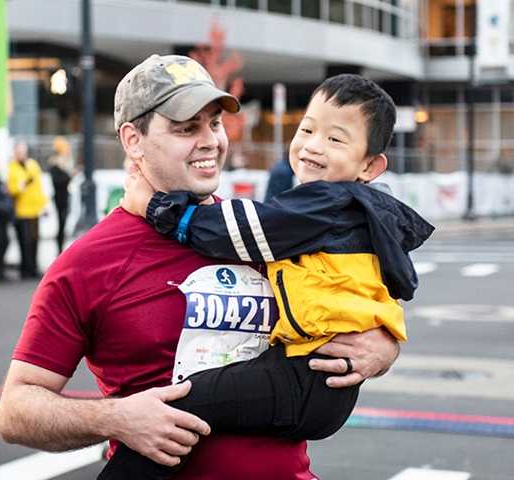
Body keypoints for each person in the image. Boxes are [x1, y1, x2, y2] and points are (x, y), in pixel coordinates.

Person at [0, 55, 401, 480]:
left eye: (214, 124)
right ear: (133, 139)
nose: (210, 141)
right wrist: (114, 418)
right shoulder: (87, 263)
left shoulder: (264, 234)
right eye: (187, 128)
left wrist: (383, 347)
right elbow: (16, 410)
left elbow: (353, 292)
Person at [105, 74, 435, 479]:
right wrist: (386, 341)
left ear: (369, 165)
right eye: (308, 129)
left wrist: (161, 210)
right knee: (209, 412)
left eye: (336, 139)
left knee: (182, 405)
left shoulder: (327, 202)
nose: (314, 145)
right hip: (320, 382)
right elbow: (391, 288)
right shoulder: (362, 210)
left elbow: (240, 231)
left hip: (307, 374)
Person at [6, 141, 48, 279]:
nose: (21, 155)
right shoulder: (11, 168)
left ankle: (33, 268)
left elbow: (39, 187)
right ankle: (25, 269)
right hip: (21, 211)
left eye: (23, 152)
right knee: (24, 241)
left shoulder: (33, 165)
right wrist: (20, 186)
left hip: (34, 210)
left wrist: (44, 204)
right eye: (18, 152)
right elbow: (11, 190)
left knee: (34, 240)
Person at [48, 136, 74, 254]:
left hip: (64, 196)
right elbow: (59, 181)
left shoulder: (63, 162)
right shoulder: (55, 164)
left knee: (63, 224)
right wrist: (69, 175)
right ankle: (59, 250)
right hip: (59, 198)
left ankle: (61, 248)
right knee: (61, 224)